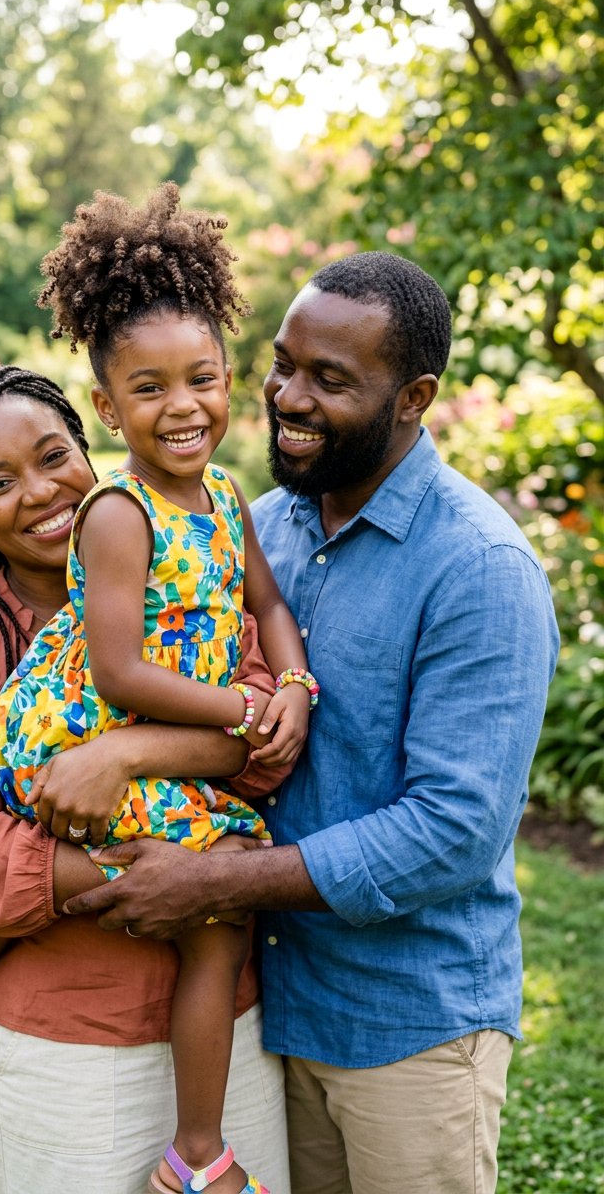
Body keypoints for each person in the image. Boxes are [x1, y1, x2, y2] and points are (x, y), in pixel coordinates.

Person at [64, 250, 561, 1194]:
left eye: (329, 380)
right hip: (274, 1013)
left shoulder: (481, 569)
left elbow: (453, 832)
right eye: (283, 364)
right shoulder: (258, 527)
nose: (288, 397)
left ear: (413, 399)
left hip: (411, 1026)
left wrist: (213, 880)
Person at [0, 362, 294, 1192]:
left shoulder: (198, 575)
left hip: (230, 1039)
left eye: (54, 458)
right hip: (67, 1049)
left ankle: (198, 1150)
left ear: (91, 450)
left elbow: (264, 748)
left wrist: (125, 755)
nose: (41, 492)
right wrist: (174, 875)